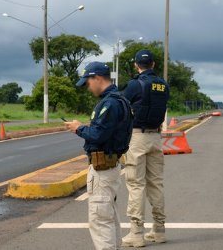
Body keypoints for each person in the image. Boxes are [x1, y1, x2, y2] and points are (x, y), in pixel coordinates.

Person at [65, 61, 133, 250]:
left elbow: (97, 135)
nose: (88, 86)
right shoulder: (121, 100)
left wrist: (78, 128)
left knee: (100, 221)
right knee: (109, 217)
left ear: (97, 78)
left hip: (102, 169)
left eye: (88, 81)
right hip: (112, 165)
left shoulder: (109, 103)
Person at [121, 49, 169, 247]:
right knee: (156, 183)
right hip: (156, 137)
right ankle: (159, 230)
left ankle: (136, 233)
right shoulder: (163, 85)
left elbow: (122, 107)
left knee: (136, 184)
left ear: (136, 65)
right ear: (154, 64)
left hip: (137, 137)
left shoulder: (134, 84)